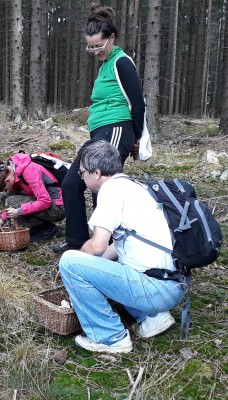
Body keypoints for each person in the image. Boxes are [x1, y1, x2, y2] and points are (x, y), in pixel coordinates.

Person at [58, 141, 185, 353]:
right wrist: (90, 267)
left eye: (82, 173)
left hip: (155, 290)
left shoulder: (111, 191)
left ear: (96, 173)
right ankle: (152, 317)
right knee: (110, 264)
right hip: (173, 284)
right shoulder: (134, 186)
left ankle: (110, 337)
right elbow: (118, 247)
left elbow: (97, 245)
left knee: (69, 262)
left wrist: (77, 261)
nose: (82, 179)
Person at [52, 3, 145, 254]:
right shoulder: (105, 65)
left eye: (98, 46)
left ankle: (107, 248)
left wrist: (136, 138)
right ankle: (76, 241)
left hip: (117, 128)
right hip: (100, 133)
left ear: (111, 38)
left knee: (102, 186)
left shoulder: (122, 62)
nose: (95, 51)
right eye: (90, 47)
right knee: (71, 183)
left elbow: (137, 104)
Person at [0, 152, 65, 241]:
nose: (6, 190)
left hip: (58, 209)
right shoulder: (13, 170)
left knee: (11, 200)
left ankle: (46, 228)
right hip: (46, 202)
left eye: (5, 189)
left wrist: (19, 211)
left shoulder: (30, 171)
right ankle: (39, 224)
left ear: (7, 180)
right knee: (5, 197)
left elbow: (45, 201)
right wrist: (3, 219)